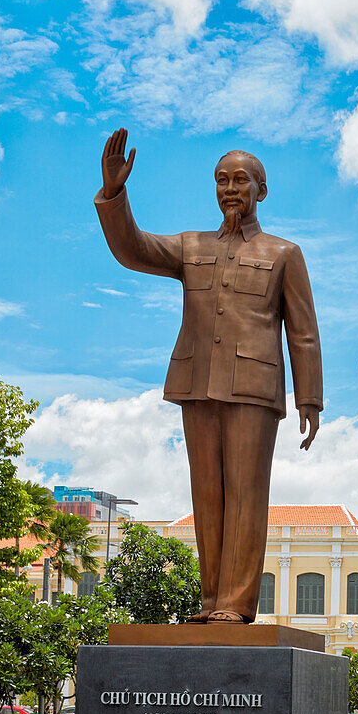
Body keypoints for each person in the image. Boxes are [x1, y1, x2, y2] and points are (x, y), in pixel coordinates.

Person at [95, 130, 323, 624]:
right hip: (197, 385)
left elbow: (303, 330)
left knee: (245, 494)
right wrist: (114, 195)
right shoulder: (189, 246)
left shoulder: (284, 253)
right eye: (222, 181)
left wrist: (310, 398)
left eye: (241, 180)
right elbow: (133, 249)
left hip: (254, 391)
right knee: (208, 496)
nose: (230, 189)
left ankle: (237, 606)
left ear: (261, 190)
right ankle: (211, 602)